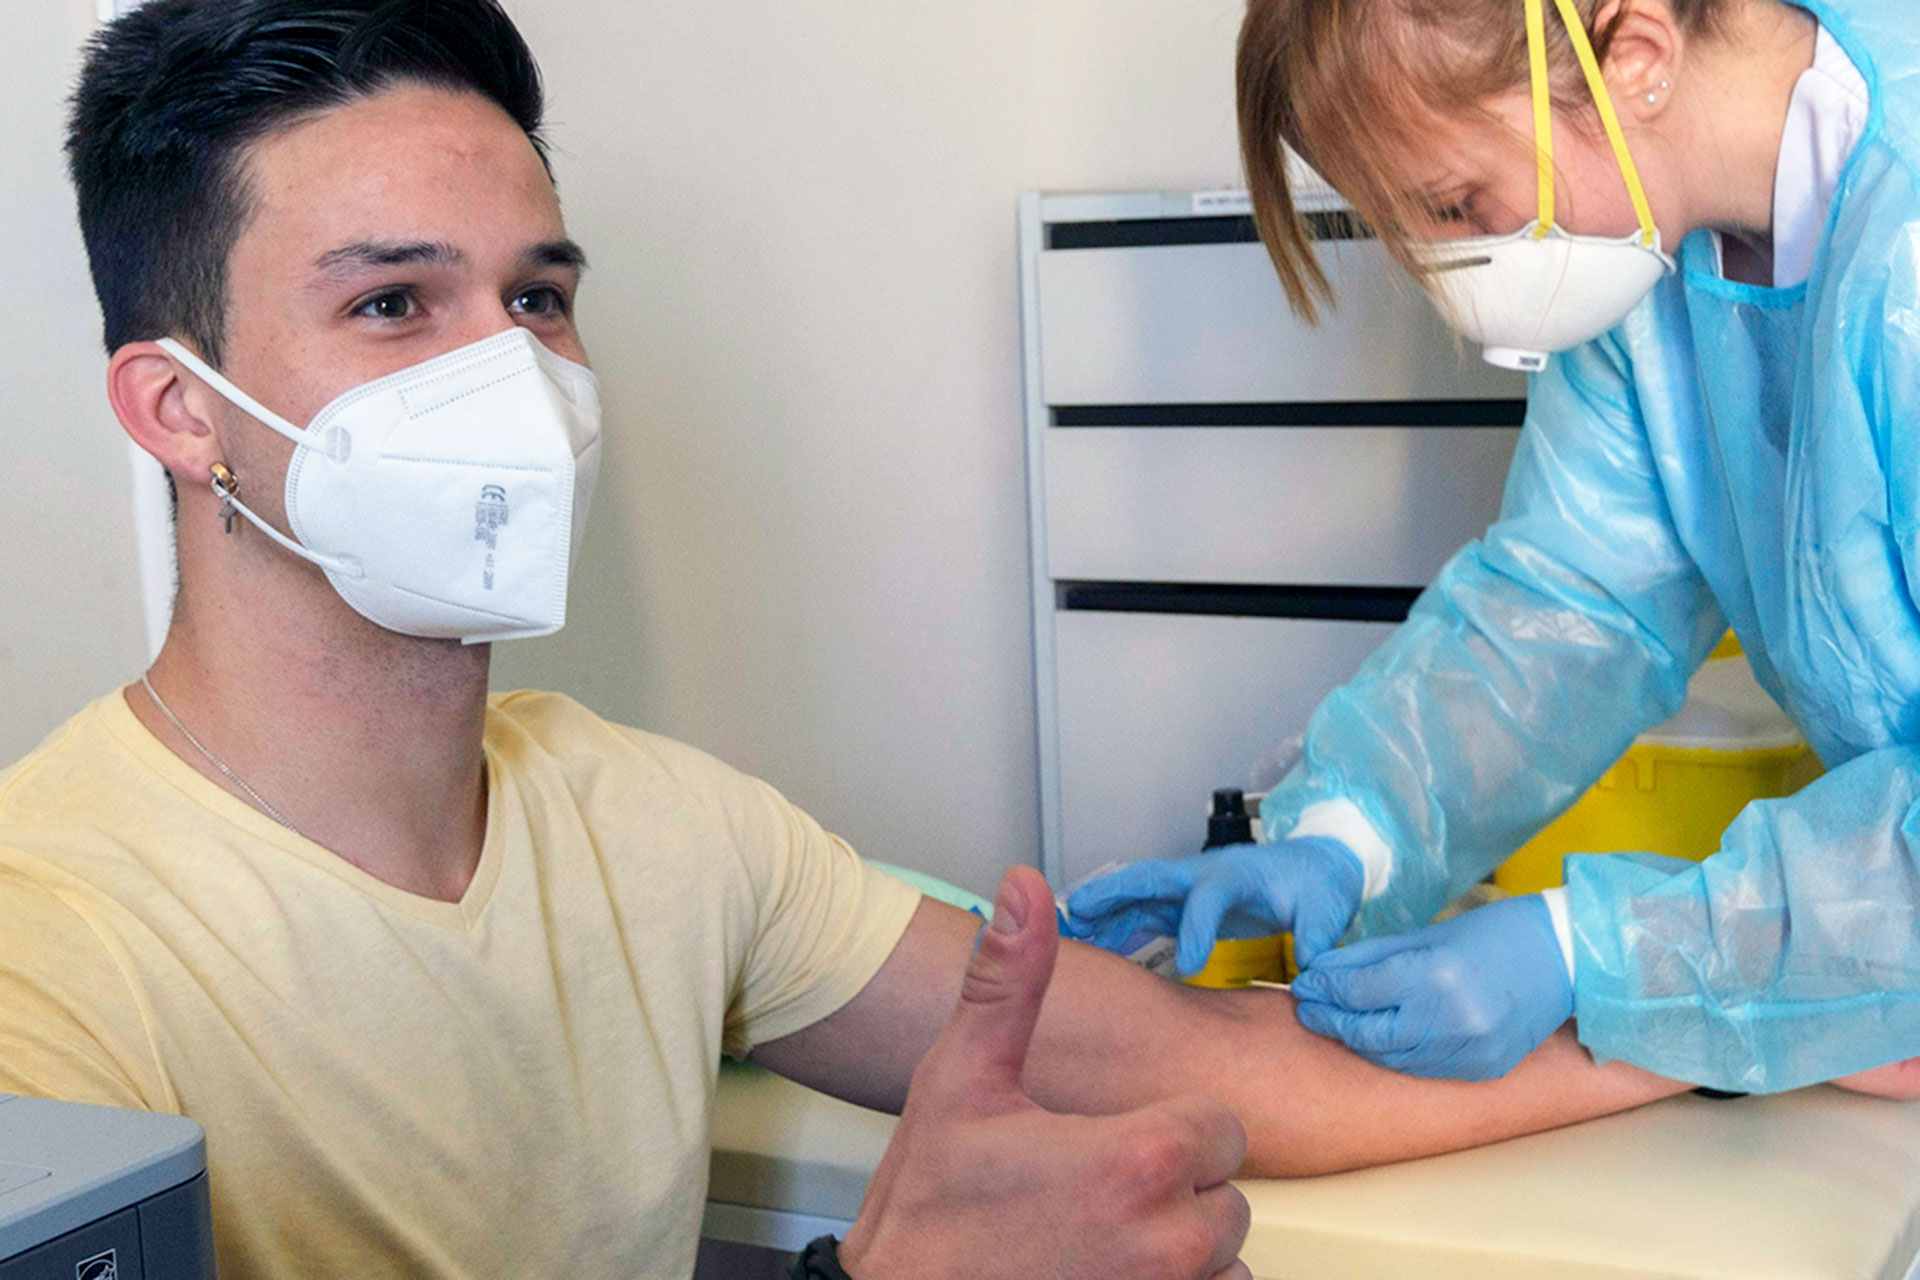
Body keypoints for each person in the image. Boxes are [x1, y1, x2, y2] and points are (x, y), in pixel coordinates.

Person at [8, 0, 1824, 1275]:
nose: (512, 375)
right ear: (179, 410)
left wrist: (1702, 994)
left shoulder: (649, 826)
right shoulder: (52, 973)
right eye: (395, 303)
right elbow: (1565, 602)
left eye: (539, 298)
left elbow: (1243, 1077)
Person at [1069, 0, 1920, 1096]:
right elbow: (1572, 603)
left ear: (1639, 58)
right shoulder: (1657, 261)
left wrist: (1588, 949)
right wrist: (1352, 826)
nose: (1447, 274)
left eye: (1458, 206)